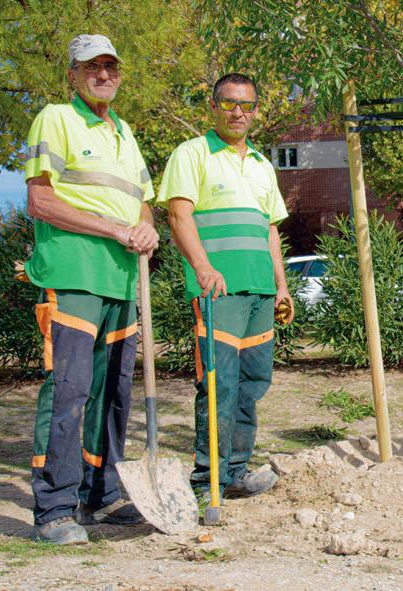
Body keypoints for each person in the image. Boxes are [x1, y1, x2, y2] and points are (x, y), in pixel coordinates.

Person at [25, 34, 158, 544]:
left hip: (122, 280)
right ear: (73, 75)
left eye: (111, 66)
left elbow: (142, 204)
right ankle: (55, 508)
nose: (104, 75)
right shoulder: (56, 118)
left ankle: (102, 494)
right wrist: (115, 229)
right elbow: (41, 201)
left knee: (113, 394)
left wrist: (145, 229)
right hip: (74, 275)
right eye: (91, 67)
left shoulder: (125, 132)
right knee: (70, 390)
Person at [158, 73, 291, 503]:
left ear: (255, 111)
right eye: (230, 103)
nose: (238, 112)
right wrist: (203, 268)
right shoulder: (192, 153)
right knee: (219, 385)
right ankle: (207, 480)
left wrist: (281, 285)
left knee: (252, 384)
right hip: (218, 292)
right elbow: (178, 216)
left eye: (246, 105)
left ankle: (235, 471)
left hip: (260, 292)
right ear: (214, 106)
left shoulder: (263, 164)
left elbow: (270, 229)